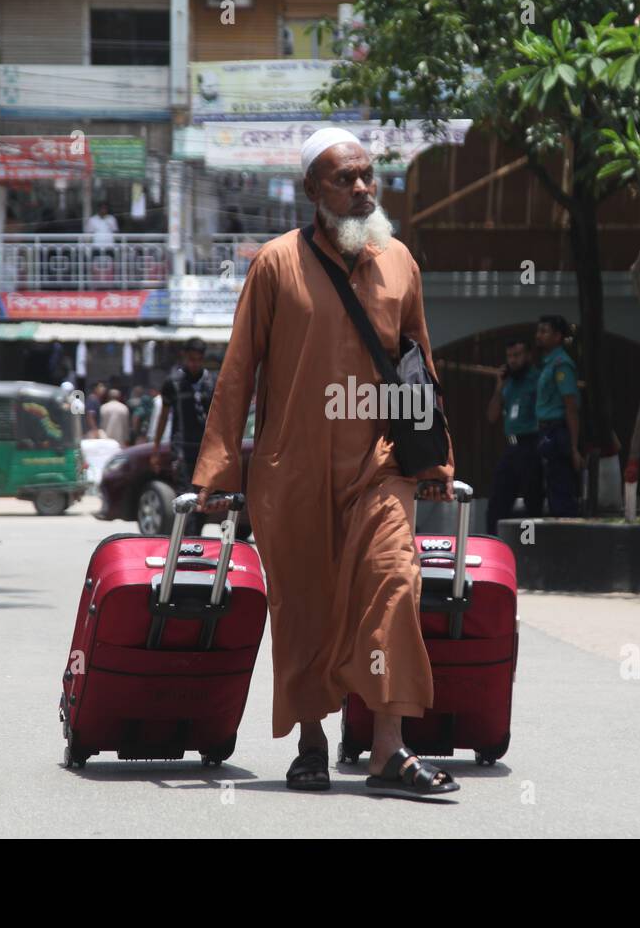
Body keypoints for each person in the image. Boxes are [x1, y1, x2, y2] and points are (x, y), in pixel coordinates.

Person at [189, 127, 459, 798]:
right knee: (304, 608)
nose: (362, 187)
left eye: (369, 175)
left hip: (381, 464)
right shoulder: (276, 264)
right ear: (312, 190)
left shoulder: (399, 261)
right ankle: (311, 742)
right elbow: (238, 373)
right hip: (293, 470)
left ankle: (388, 750)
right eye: (345, 177)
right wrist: (219, 475)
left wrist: (437, 460)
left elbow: (420, 366)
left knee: (393, 587)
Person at [150, 339, 215, 533]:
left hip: (206, 451)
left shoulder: (212, 382)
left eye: (199, 359)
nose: (194, 363)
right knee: (186, 496)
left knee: (204, 498)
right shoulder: (173, 383)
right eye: (191, 359)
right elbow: (163, 416)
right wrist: (155, 449)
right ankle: (188, 540)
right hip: (182, 450)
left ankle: (197, 538)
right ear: (184, 357)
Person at [485, 338, 543, 536]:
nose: (513, 361)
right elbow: (492, 417)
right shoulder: (508, 383)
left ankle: (532, 545)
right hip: (511, 447)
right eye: (509, 356)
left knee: (532, 500)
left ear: (527, 355)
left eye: (517, 355)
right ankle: (493, 543)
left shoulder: (537, 380)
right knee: (497, 502)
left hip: (531, 444)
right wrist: (498, 387)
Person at [534, 315, 584, 518]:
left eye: (544, 331)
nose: (539, 335)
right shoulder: (548, 364)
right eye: (538, 331)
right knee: (552, 487)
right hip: (547, 431)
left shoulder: (561, 365)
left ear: (557, 336)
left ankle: (567, 536)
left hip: (557, 432)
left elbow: (571, 407)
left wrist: (573, 448)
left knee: (560, 488)